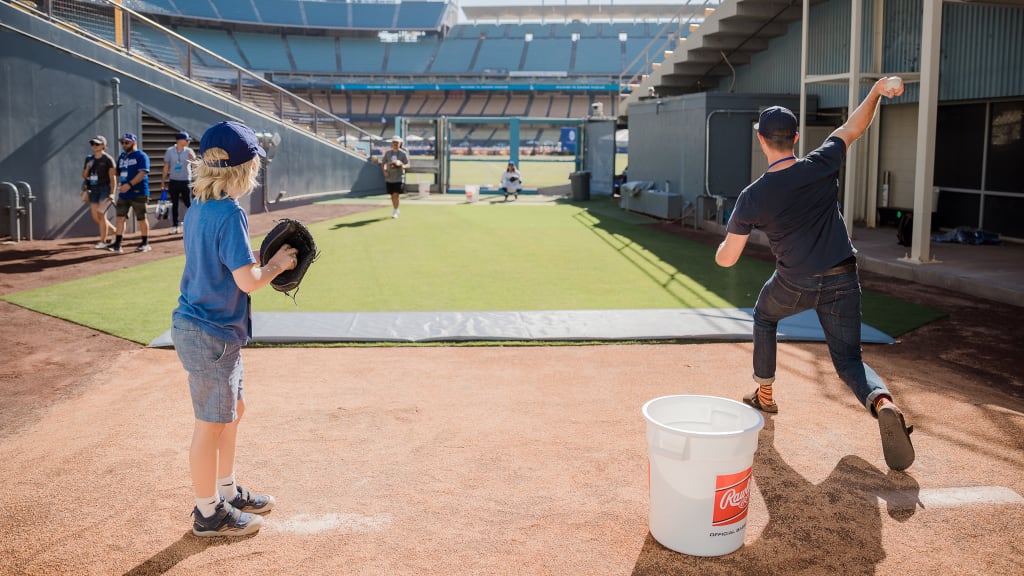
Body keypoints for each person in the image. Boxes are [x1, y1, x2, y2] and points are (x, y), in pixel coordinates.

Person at [714, 77, 915, 472]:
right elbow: (854, 126)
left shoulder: (753, 196)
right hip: (843, 276)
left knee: (765, 315)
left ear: (761, 140)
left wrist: (722, 247)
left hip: (795, 283)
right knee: (848, 362)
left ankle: (766, 393)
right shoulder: (821, 163)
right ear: (796, 137)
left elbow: (728, 259)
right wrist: (875, 91)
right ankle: (882, 402)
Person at [171, 120, 298, 537]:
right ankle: (208, 512)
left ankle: (224, 491)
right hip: (211, 334)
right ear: (244, 171)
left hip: (211, 331)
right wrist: (277, 265)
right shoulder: (229, 212)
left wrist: (260, 258)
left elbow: (228, 266)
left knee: (232, 413)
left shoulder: (200, 208)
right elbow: (248, 282)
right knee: (211, 424)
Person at [109, 133, 151, 253]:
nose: (124, 145)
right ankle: (117, 244)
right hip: (124, 193)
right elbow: (119, 172)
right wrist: (113, 172)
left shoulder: (141, 156)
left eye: (126, 142)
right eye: (122, 142)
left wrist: (130, 185)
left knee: (141, 218)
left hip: (138, 192)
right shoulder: (122, 156)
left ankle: (145, 243)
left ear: (134, 142)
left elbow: (142, 173)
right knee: (120, 218)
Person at [81, 135, 117, 248]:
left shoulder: (108, 159)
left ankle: (103, 241)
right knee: (95, 217)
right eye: (93, 144)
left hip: (105, 189)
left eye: (97, 144)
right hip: (93, 189)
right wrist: (88, 167)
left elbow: (113, 178)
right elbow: (84, 176)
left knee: (102, 214)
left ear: (103, 145)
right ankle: (115, 231)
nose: (94, 146)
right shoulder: (89, 159)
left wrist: (112, 192)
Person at [160, 131, 196, 234]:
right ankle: (175, 226)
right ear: (180, 140)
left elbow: (195, 166)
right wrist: (163, 181)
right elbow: (166, 166)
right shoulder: (170, 151)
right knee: (174, 204)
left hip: (186, 181)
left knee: (188, 203)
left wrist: (192, 158)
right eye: (187, 140)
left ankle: (193, 224)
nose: (188, 141)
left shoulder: (189, 151)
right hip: (174, 181)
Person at [381, 135, 409, 218]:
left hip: (399, 177)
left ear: (400, 143)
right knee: (392, 195)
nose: (395, 144)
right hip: (389, 177)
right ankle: (395, 208)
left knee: (396, 194)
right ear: (391, 144)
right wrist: (385, 171)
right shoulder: (388, 153)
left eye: (397, 142)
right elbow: (383, 163)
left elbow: (408, 164)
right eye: (394, 142)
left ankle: (395, 210)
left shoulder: (403, 153)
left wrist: (401, 165)